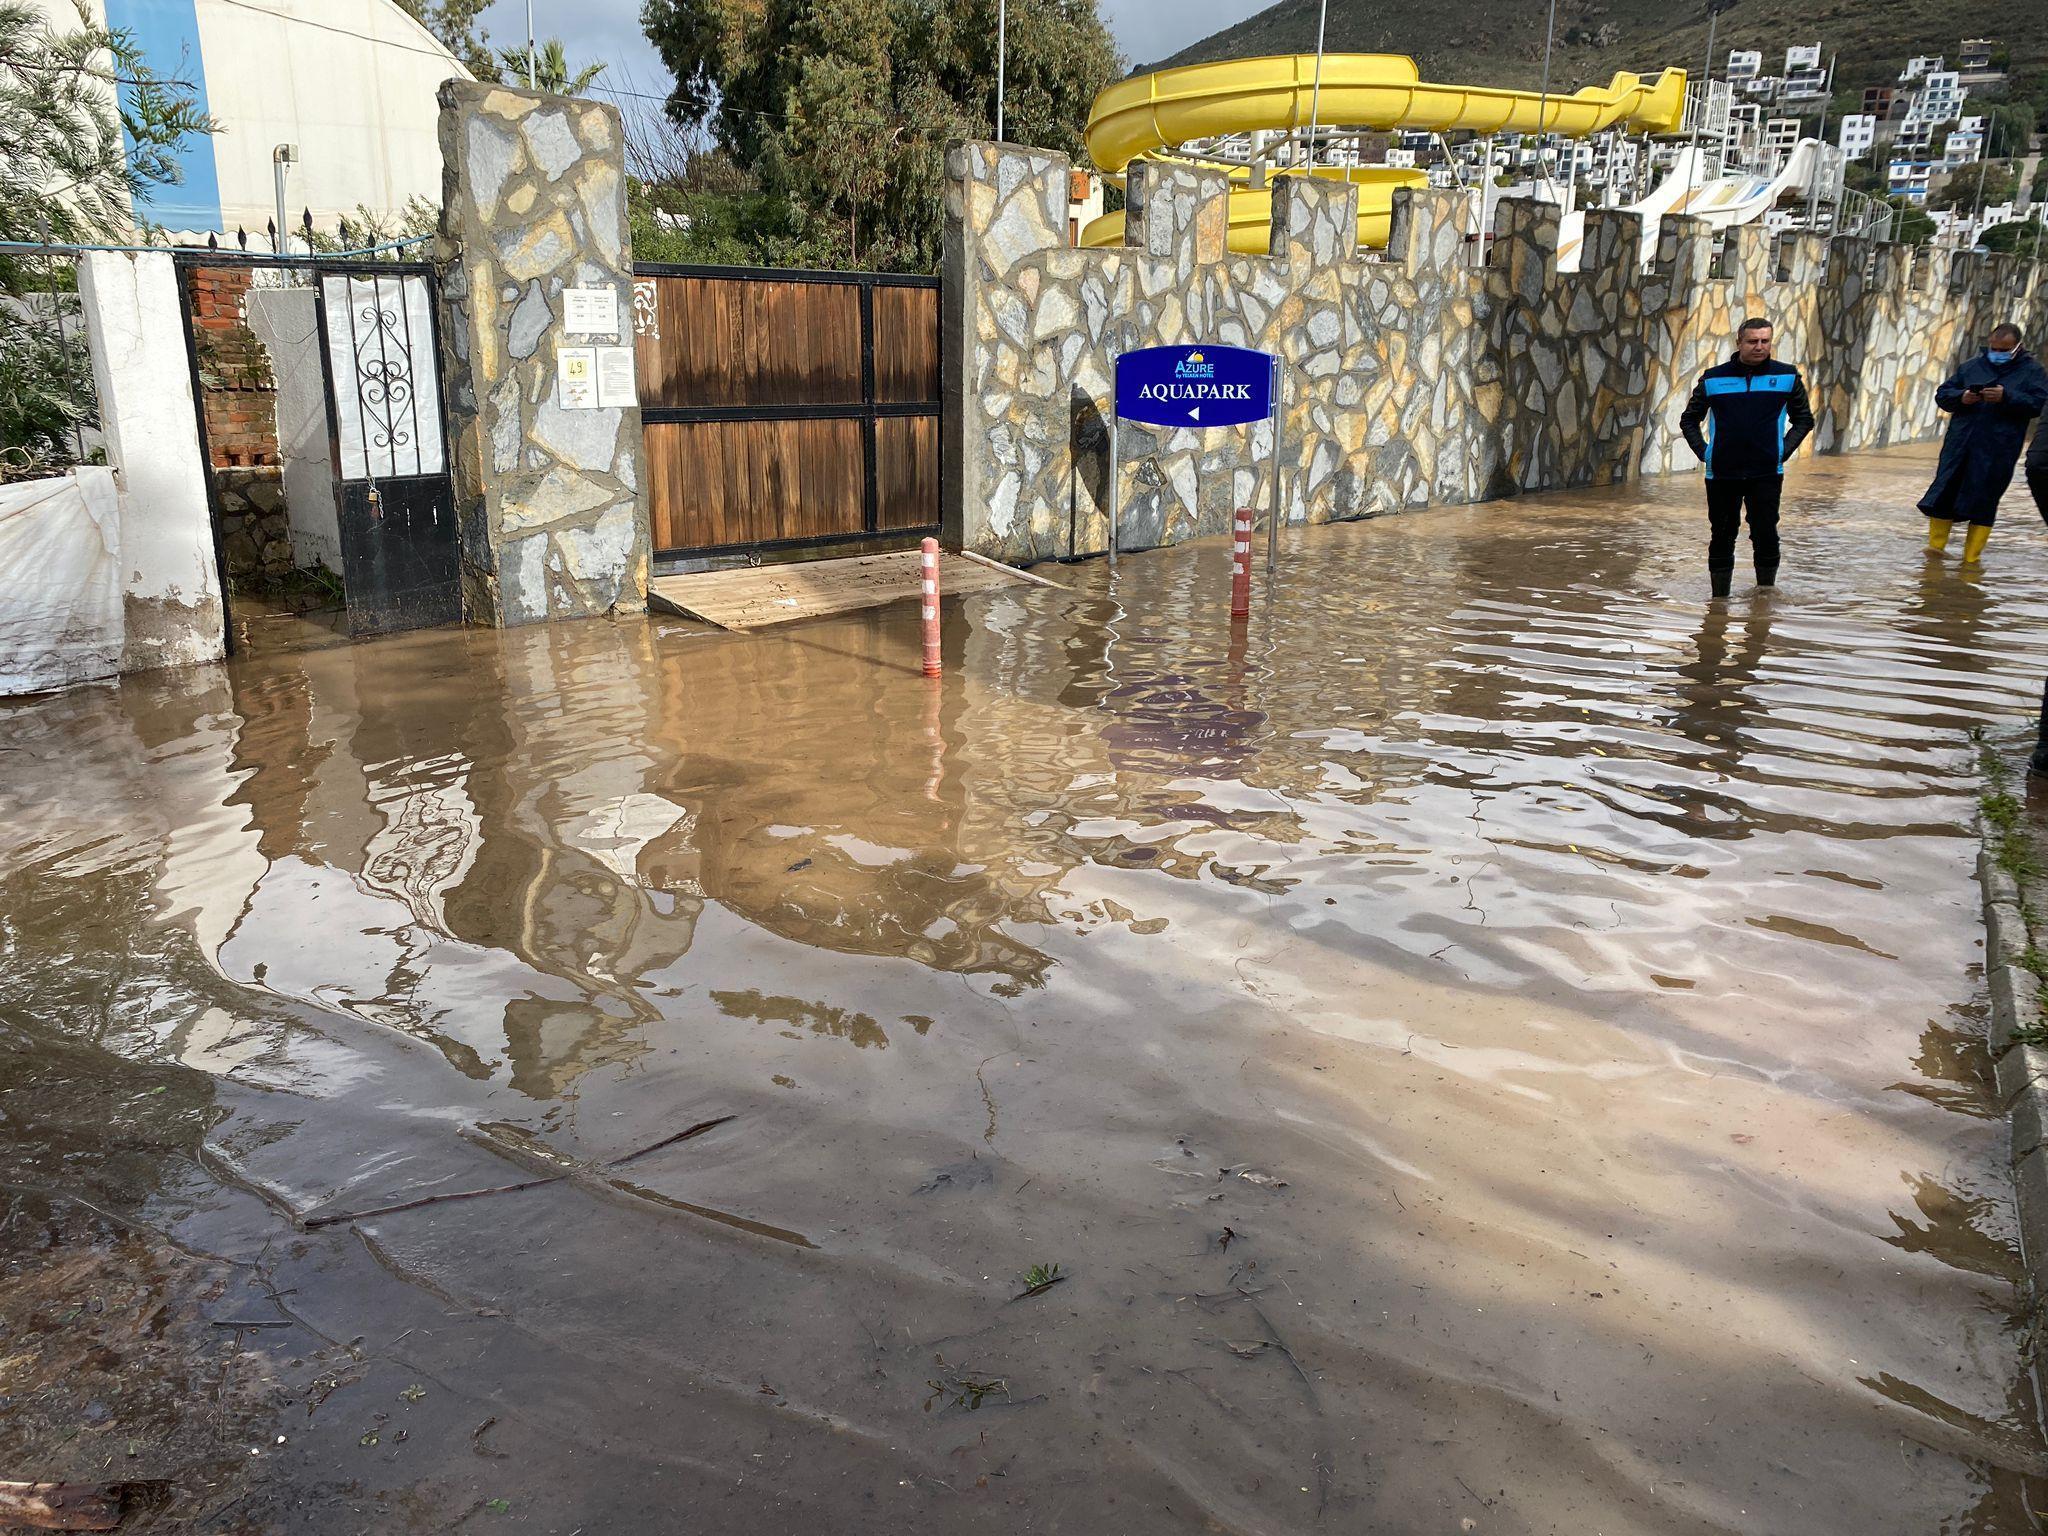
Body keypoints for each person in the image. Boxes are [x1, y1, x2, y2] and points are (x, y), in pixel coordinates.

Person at [1679, 317, 1815, 599]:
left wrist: (1782, 451)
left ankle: (1765, 597)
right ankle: (1718, 604)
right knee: (1722, 536)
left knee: (1765, 534)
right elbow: (1689, 419)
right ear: (1739, 342)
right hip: (1721, 475)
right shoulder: (1714, 378)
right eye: (1753, 341)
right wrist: (1705, 453)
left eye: (1765, 341)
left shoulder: (1787, 377)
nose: (1759, 347)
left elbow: (1804, 420)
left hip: (1765, 473)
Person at [1920, 323, 2048, 563]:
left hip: (1999, 449)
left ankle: (1971, 561)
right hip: (1960, 444)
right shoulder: (1971, 367)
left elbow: (2038, 404)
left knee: (1985, 500)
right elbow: (1943, 394)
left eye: (2004, 349)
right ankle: (1935, 552)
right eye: (1993, 347)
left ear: (2017, 347)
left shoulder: (2033, 372)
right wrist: (1962, 397)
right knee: (1944, 493)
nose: (1997, 352)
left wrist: (2006, 397)